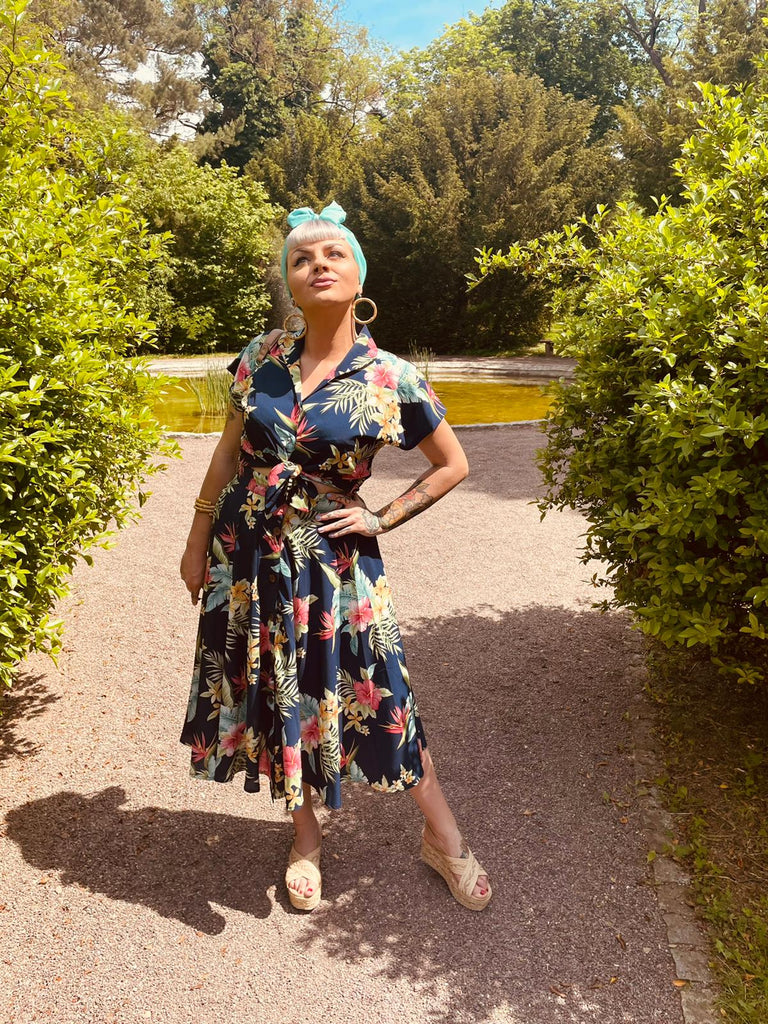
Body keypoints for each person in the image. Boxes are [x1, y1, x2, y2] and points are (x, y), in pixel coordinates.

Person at [179, 202, 491, 912]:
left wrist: (381, 517)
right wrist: (197, 540)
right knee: (276, 688)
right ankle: (305, 835)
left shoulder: (391, 376)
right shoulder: (260, 358)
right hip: (248, 555)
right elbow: (228, 454)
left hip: (336, 562)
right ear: (290, 282)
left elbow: (452, 464)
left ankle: (442, 836)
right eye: (301, 257)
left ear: (359, 277)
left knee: (382, 689)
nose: (317, 264)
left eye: (333, 254)